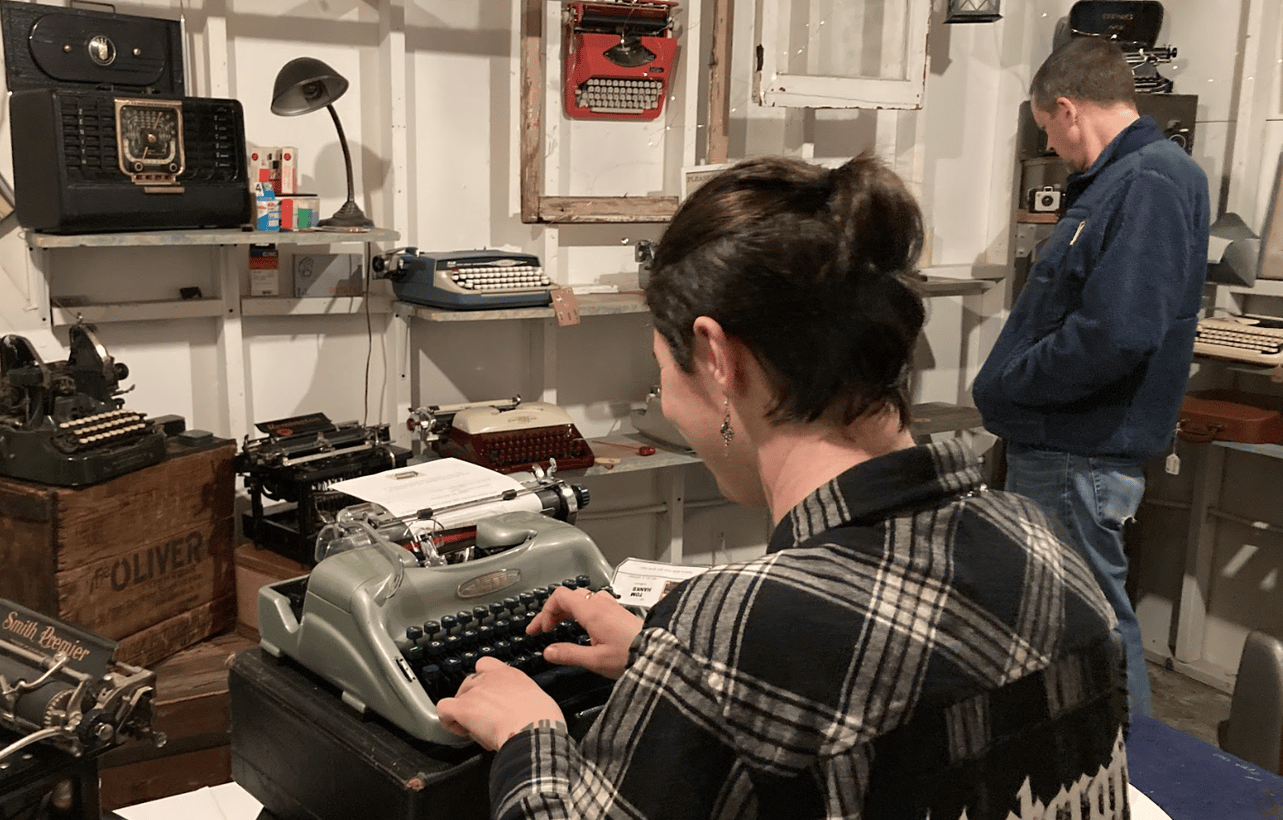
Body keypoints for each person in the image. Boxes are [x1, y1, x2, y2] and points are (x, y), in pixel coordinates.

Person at [437, 154, 1130, 819]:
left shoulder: (731, 630)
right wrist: (664, 659)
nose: (666, 401)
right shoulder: (1043, 543)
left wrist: (529, 734)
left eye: (663, 371)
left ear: (717, 359)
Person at [972, 37, 1211, 718]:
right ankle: (1080, 750)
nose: (1051, 146)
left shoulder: (1148, 181)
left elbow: (1119, 331)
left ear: (1068, 109)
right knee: (1062, 617)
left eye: (1047, 129)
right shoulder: (1123, 180)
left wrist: (1016, 381)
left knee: (1091, 621)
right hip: (1066, 446)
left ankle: (1127, 758)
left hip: (1079, 450)